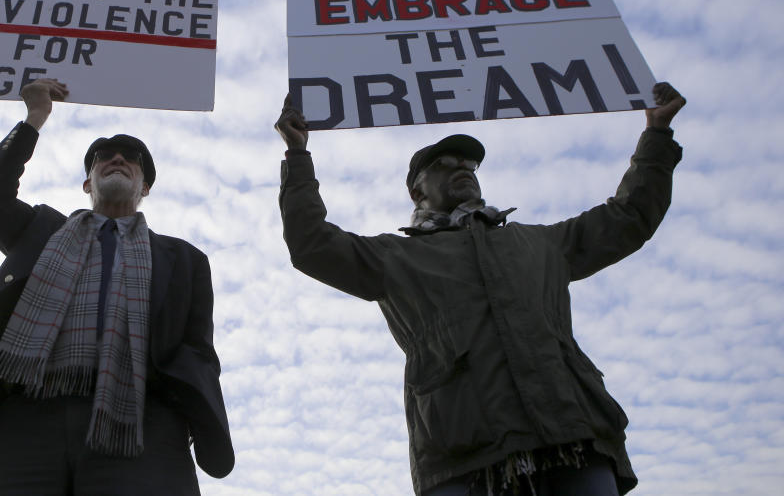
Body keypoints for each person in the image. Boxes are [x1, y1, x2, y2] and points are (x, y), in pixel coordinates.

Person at [275, 83, 686, 495]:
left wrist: (657, 133)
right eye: (446, 163)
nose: (463, 168)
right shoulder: (395, 258)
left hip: (573, 441)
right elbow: (312, 244)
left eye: (469, 164)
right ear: (418, 191)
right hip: (462, 457)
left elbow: (628, 217)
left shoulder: (539, 243)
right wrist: (297, 154)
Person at [0, 78, 233, 495]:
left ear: (144, 188)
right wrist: (34, 119)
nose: (117, 158)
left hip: (142, 424)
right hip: (25, 418)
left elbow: (197, 347)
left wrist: (185, 409)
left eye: (132, 158)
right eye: (104, 156)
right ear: (88, 183)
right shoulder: (43, 231)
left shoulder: (185, 259)